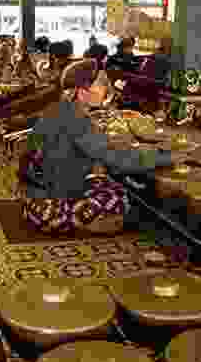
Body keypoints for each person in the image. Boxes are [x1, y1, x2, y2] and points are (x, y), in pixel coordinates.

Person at [20, 60, 178, 234]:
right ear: (82, 91)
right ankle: (99, 223)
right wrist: (167, 157)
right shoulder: (75, 119)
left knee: (104, 178)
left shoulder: (61, 109)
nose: (107, 89)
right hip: (47, 209)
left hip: (33, 199)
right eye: (102, 84)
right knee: (121, 197)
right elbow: (118, 158)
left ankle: (98, 219)